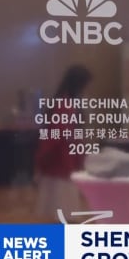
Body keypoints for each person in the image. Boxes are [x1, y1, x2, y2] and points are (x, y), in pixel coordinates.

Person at [34, 64, 92, 221]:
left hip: (60, 162)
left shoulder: (63, 101)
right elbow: (61, 135)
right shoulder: (65, 104)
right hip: (62, 162)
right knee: (66, 212)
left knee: (60, 211)